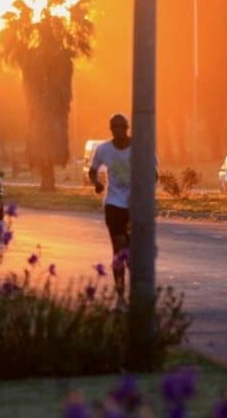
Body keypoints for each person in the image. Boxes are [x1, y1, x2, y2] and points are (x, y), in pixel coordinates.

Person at [88, 114, 133, 310]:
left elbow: (154, 172)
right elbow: (92, 170)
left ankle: (136, 293)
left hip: (134, 206)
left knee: (132, 254)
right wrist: (96, 183)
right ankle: (121, 297)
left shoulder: (140, 147)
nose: (118, 132)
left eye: (121, 128)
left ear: (127, 128)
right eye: (114, 128)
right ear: (111, 130)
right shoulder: (103, 149)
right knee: (119, 248)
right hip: (113, 205)